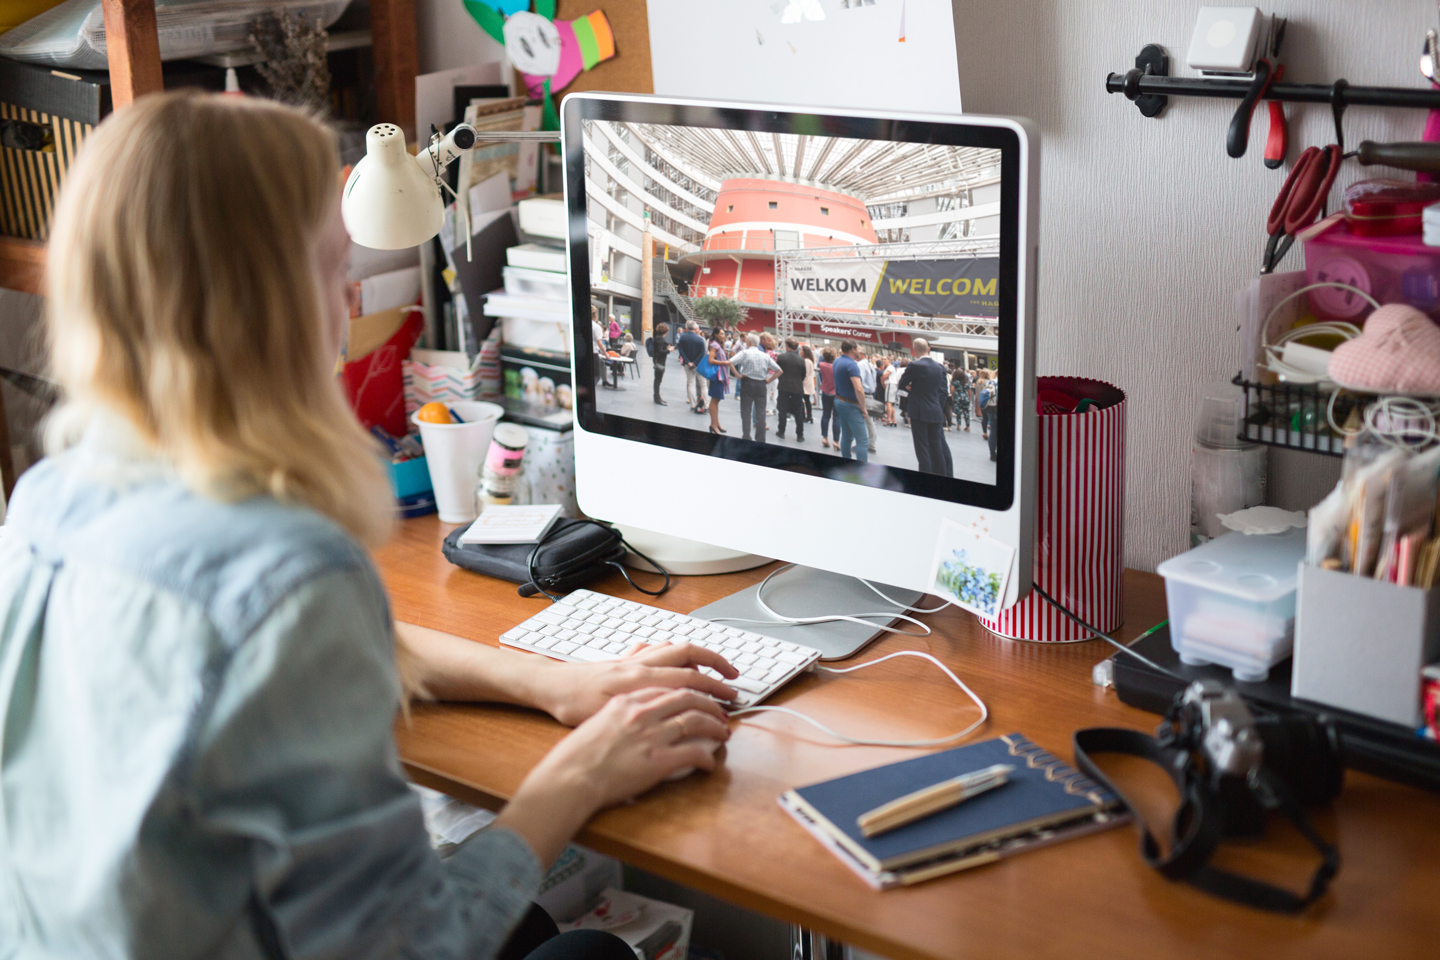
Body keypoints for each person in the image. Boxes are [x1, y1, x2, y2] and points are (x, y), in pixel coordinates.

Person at [0, 92, 744, 960]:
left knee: (537, 928)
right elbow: (415, 947)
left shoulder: (51, 498)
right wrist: (578, 776)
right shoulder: (293, 574)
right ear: (261, 305)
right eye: (331, 266)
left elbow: (301, 650)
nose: (352, 297)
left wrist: (555, 686)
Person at [897, 338, 954, 477]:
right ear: (928, 348)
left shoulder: (915, 365)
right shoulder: (939, 367)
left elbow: (902, 383)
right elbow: (941, 389)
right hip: (935, 410)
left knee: (922, 447)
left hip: (919, 411)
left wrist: (911, 387)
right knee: (937, 448)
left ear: (914, 349)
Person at [727, 333, 781, 442]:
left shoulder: (745, 353)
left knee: (746, 411)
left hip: (747, 383)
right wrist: (768, 380)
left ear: (749, 342)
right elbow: (779, 371)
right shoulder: (765, 356)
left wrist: (738, 376)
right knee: (761, 413)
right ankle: (760, 439)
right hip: (761, 385)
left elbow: (730, 362)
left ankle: (746, 436)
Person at [832, 340, 871, 462]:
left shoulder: (837, 361)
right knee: (863, 441)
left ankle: (846, 463)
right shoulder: (852, 365)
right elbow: (859, 389)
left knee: (847, 437)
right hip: (850, 405)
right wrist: (863, 408)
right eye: (858, 348)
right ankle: (861, 468)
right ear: (853, 349)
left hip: (839, 401)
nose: (859, 350)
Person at [774, 338, 807, 442]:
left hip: (783, 386)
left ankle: (781, 431)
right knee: (798, 411)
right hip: (797, 387)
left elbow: (777, 371)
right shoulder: (801, 360)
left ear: (787, 346)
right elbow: (803, 375)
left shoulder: (781, 357)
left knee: (782, 409)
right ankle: (800, 435)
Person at [676, 319, 708, 414]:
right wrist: (694, 362)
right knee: (703, 385)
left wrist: (688, 361)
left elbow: (681, 351)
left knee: (690, 383)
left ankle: (693, 406)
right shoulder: (700, 339)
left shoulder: (682, 338)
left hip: (687, 364)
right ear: (695, 328)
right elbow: (702, 353)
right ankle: (705, 406)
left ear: (686, 327)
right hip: (698, 365)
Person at [705, 325, 730, 434]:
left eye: (724, 333)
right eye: (721, 333)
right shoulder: (714, 345)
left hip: (720, 375)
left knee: (717, 400)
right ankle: (713, 425)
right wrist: (724, 363)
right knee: (715, 400)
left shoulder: (718, 344)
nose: (723, 335)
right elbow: (710, 360)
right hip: (717, 376)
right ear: (716, 334)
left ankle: (716, 423)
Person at [818, 347, 840, 449]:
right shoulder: (837, 367)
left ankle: (825, 437)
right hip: (836, 394)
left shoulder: (821, 365)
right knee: (836, 417)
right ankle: (836, 440)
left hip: (825, 392)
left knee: (825, 414)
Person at [978, 372, 1001, 462]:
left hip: (990, 409)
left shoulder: (990, 382)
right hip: (997, 409)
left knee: (993, 432)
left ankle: (992, 453)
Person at [648, 321, 671, 405]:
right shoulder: (661, 339)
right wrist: (669, 350)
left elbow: (658, 349)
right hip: (660, 361)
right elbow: (661, 351)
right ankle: (657, 398)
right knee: (658, 380)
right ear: (666, 331)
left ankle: (657, 396)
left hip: (657, 360)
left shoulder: (657, 337)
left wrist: (666, 347)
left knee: (657, 380)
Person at [800, 343, 817, 423]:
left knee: (803, 400)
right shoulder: (810, 360)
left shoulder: (806, 361)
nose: (800, 351)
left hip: (805, 384)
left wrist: (801, 382)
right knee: (807, 400)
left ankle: (804, 416)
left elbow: (805, 373)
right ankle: (809, 416)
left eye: (801, 350)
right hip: (809, 383)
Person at [953, 366, 972, 431]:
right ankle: (968, 426)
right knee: (966, 412)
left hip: (958, 397)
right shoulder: (966, 382)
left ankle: (959, 425)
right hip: (965, 397)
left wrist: (953, 396)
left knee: (958, 412)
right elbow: (969, 391)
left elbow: (952, 389)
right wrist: (969, 398)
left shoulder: (955, 381)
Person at [882, 359, 899, 426]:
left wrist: (883, 378)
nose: (884, 361)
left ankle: (889, 419)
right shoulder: (891, 367)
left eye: (885, 359)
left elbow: (885, 376)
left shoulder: (890, 367)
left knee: (888, 403)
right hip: (893, 385)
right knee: (891, 403)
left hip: (890, 384)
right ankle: (893, 419)